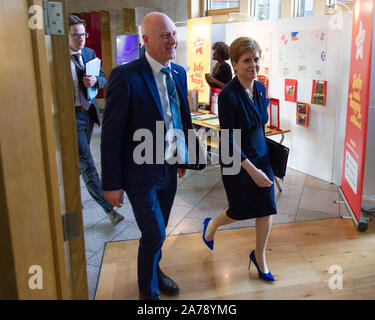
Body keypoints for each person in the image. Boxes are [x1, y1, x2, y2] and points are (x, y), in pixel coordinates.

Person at [101, 12, 200, 300]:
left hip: (169, 169)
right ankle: (148, 293)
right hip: (139, 173)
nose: (173, 40)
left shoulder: (178, 72)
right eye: (164, 35)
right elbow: (112, 136)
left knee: (160, 230)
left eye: (173, 33)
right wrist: (111, 184)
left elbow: (181, 118)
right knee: (155, 233)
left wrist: (183, 157)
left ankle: (154, 270)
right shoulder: (125, 76)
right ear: (145, 40)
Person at [202, 37, 277, 282]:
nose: (253, 65)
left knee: (266, 208)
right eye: (246, 60)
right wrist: (252, 170)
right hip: (237, 160)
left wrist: (265, 161)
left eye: (256, 59)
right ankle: (212, 225)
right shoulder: (228, 95)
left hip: (261, 156)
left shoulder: (261, 88)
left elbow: (260, 127)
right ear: (235, 63)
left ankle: (260, 257)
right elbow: (229, 140)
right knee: (239, 210)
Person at [68, 15, 124, 226]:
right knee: (87, 164)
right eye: (76, 35)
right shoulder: (56, 60)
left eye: (83, 34)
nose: (81, 39)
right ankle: (109, 210)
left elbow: (103, 78)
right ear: (66, 35)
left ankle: (72, 199)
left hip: (88, 114)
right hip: (69, 116)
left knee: (78, 162)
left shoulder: (89, 53)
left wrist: (95, 81)